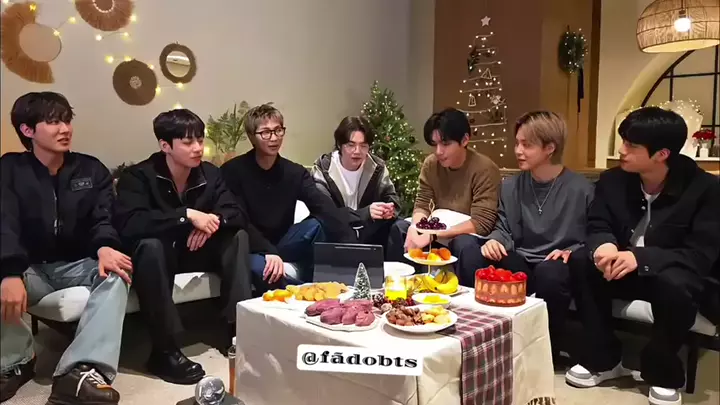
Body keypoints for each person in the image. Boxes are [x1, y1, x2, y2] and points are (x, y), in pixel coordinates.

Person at [564, 107, 720, 405]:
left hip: (676, 274)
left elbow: (700, 255)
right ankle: (604, 360)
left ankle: (662, 372)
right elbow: (598, 223)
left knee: (675, 284)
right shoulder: (613, 180)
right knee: (583, 261)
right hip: (623, 269)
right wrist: (603, 246)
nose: (621, 150)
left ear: (662, 154)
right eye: (623, 141)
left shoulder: (705, 189)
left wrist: (641, 257)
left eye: (631, 145)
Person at [1, 92, 130, 405]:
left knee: (118, 272)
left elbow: (103, 218)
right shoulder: (10, 169)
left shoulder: (90, 169)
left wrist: (105, 246)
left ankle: (81, 371)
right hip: (30, 268)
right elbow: (5, 222)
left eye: (67, 120)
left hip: (76, 264)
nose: (65, 129)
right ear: (28, 130)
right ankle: (15, 362)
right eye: (53, 122)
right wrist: (10, 272)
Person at [113, 109, 252, 385]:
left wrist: (211, 222)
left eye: (200, 140)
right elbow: (130, 223)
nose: (198, 148)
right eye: (188, 142)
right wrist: (186, 216)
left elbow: (236, 212)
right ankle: (164, 350)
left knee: (238, 237)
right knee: (150, 246)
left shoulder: (209, 173)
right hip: (160, 256)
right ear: (165, 145)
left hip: (196, 251)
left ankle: (239, 332)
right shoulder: (138, 176)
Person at [466, 111, 594, 360]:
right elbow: (503, 226)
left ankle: (545, 352)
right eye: (517, 143)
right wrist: (495, 240)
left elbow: (594, 235)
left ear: (550, 148)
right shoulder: (511, 186)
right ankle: (482, 342)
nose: (518, 151)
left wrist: (571, 251)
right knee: (474, 253)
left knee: (551, 273)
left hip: (558, 265)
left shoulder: (582, 189)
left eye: (527, 145)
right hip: (522, 260)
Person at [221, 104, 356, 291]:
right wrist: (267, 251)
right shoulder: (233, 171)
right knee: (263, 271)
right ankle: (308, 291)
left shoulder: (294, 172)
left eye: (278, 130)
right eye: (266, 133)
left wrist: (351, 245)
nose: (274, 138)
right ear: (252, 136)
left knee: (319, 223)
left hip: (285, 243)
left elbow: (322, 206)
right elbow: (239, 219)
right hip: (252, 245)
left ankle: (324, 283)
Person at [387, 107, 501, 281]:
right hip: (437, 226)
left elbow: (481, 223)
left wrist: (433, 234)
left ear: (465, 140)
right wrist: (416, 228)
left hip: (466, 233)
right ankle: (401, 285)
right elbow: (423, 204)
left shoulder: (484, 168)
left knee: (464, 243)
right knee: (400, 228)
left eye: (445, 144)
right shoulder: (431, 164)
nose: (439, 151)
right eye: (435, 144)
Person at [310, 116, 401, 250]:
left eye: (363, 146)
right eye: (351, 145)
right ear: (340, 145)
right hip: (333, 236)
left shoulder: (377, 167)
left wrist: (387, 210)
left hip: (370, 235)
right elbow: (325, 211)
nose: (357, 151)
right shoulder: (323, 168)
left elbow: (392, 199)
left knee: (400, 226)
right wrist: (364, 214)